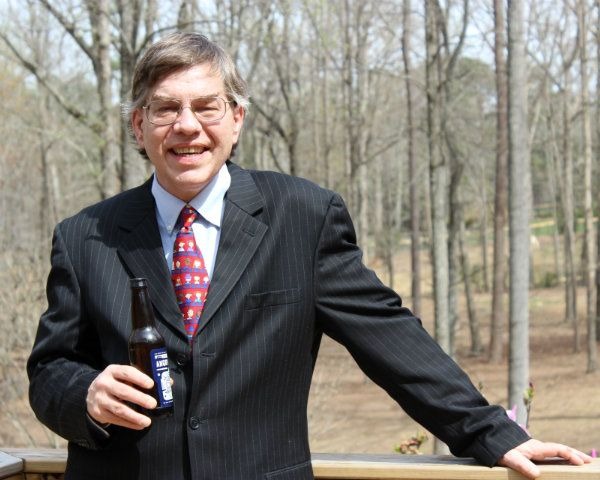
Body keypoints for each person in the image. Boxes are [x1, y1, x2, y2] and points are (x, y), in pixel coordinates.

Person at [27, 32, 591, 480]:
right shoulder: (85, 237)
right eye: (165, 109)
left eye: (207, 107)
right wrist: (85, 395)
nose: (187, 126)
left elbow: (389, 337)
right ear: (138, 125)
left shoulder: (302, 217)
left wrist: (494, 434)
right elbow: (50, 370)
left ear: (237, 119)